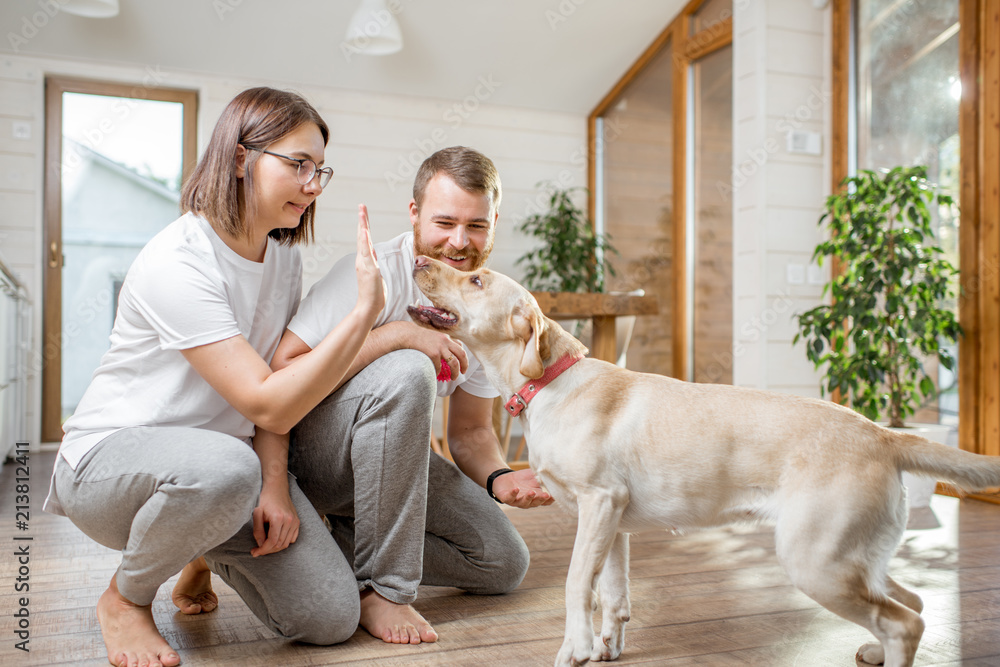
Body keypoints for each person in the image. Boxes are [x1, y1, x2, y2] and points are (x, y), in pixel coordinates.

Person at [43, 87, 385, 667]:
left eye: (320, 169)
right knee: (227, 467)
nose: (313, 185)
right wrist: (364, 318)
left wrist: (275, 484)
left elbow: (279, 382)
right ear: (238, 158)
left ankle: (197, 549)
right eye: (298, 164)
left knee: (330, 617)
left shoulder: (283, 259)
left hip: (224, 474)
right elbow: (268, 402)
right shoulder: (179, 259)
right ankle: (124, 599)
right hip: (109, 467)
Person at [267, 145, 554, 646]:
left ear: (494, 222)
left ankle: (328, 541)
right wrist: (398, 335)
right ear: (415, 213)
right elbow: (282, 370)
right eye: (444, 222)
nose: (459, 241)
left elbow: (469, 431)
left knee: (502, 562)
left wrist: (500, 477)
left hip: (390, 468)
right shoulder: (373, 271)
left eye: (477, 225)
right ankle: (384, 589)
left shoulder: (484, 307)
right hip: (312, 459)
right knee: (407, 368)